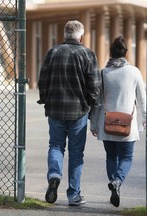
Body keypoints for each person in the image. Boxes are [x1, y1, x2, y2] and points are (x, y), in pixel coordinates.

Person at [37, 20, 102, 206]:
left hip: (55, 109)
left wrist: (45, 99)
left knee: (56, 146)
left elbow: (43, 80)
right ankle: (74, 194)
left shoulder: (53, 52)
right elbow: (95, 85)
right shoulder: (88, 54)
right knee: (76, 154)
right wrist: (89, 104)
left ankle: (54, 176)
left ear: (64, 35)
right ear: (81, 37)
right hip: (78, 111)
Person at [89, 36, 146, 207]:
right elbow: (142, 100)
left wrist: (93, 123)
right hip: (127, 125)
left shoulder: (103, 73)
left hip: (107, 125)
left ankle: (114, 182)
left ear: (111, 53)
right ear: (125, 52)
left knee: (111, 157)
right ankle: (118, 181)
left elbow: (97, 101)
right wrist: (144, 120)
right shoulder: (134, 72)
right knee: (127, 157)